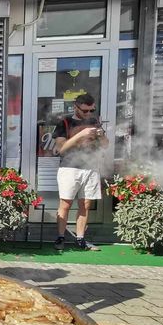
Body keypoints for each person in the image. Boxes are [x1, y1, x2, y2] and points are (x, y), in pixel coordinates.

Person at [53, 93, 109, 251]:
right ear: (75, 107)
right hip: (69, 168)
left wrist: (101, 135)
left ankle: (80, 239)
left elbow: (105, 145)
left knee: (85, 204)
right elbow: (60, 148)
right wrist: (80, 135)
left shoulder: (94, 122)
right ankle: (60, 237)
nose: (89, 114)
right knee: (65, 204)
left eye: (92, 110)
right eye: (85, 111)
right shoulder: (64, 122)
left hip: (91, 167)